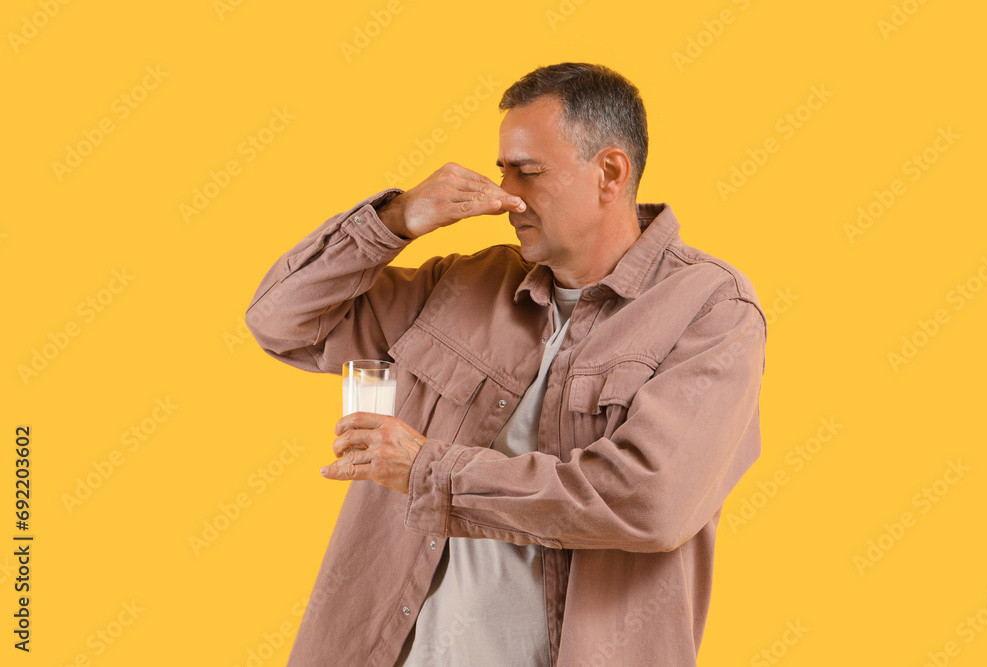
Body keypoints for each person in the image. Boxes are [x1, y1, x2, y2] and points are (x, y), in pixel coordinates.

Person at [246, 62, 766, 666]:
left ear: (610, 172)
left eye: (530, 171)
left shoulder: (710, 310)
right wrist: (396, 220)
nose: (509, 194)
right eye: (503, 170)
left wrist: (429, 470)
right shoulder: (465, 284)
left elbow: (646, 501)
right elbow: (281, 322)